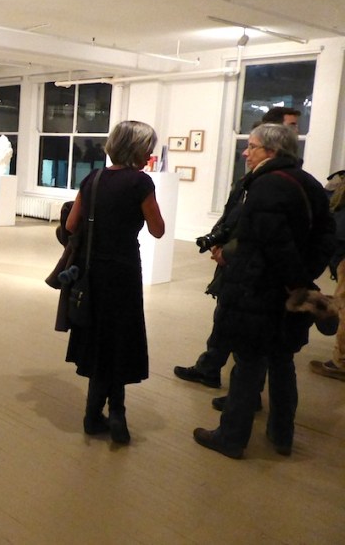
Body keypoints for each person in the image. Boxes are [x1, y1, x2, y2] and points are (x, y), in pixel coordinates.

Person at [193, 124, 335, 459]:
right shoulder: (310, 183)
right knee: (282, 362)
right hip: (287, 292)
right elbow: (326, 237)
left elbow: (271, 243)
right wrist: (305, 277)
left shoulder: (267, 185)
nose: (246, 152)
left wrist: (292, 280)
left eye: (252, 146)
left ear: (271, 151)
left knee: (248, 363)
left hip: (259, 291)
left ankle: (231, 437)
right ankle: (281, 435)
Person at [175, 108, 304, 403]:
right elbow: (233, 215)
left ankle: (244, 398)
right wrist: (218, 242)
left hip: (256, 271)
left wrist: (231, 252)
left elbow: (263, 231)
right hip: (242, 263)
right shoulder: (256, 179)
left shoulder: (277, 182)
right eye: (292, 125)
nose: (296, 131)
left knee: (252, 337)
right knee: (226, 316)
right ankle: (211, 368)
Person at [62, 120, 165, 444]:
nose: (150, 154)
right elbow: (158, 229)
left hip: (92, 272)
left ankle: (93, 415)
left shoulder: (92, 178)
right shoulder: (140, 183)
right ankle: (116, 414)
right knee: (119, 340)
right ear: (136, 148)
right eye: (147, 148)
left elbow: (70, 225)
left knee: (98, 341)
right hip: (123, 272)